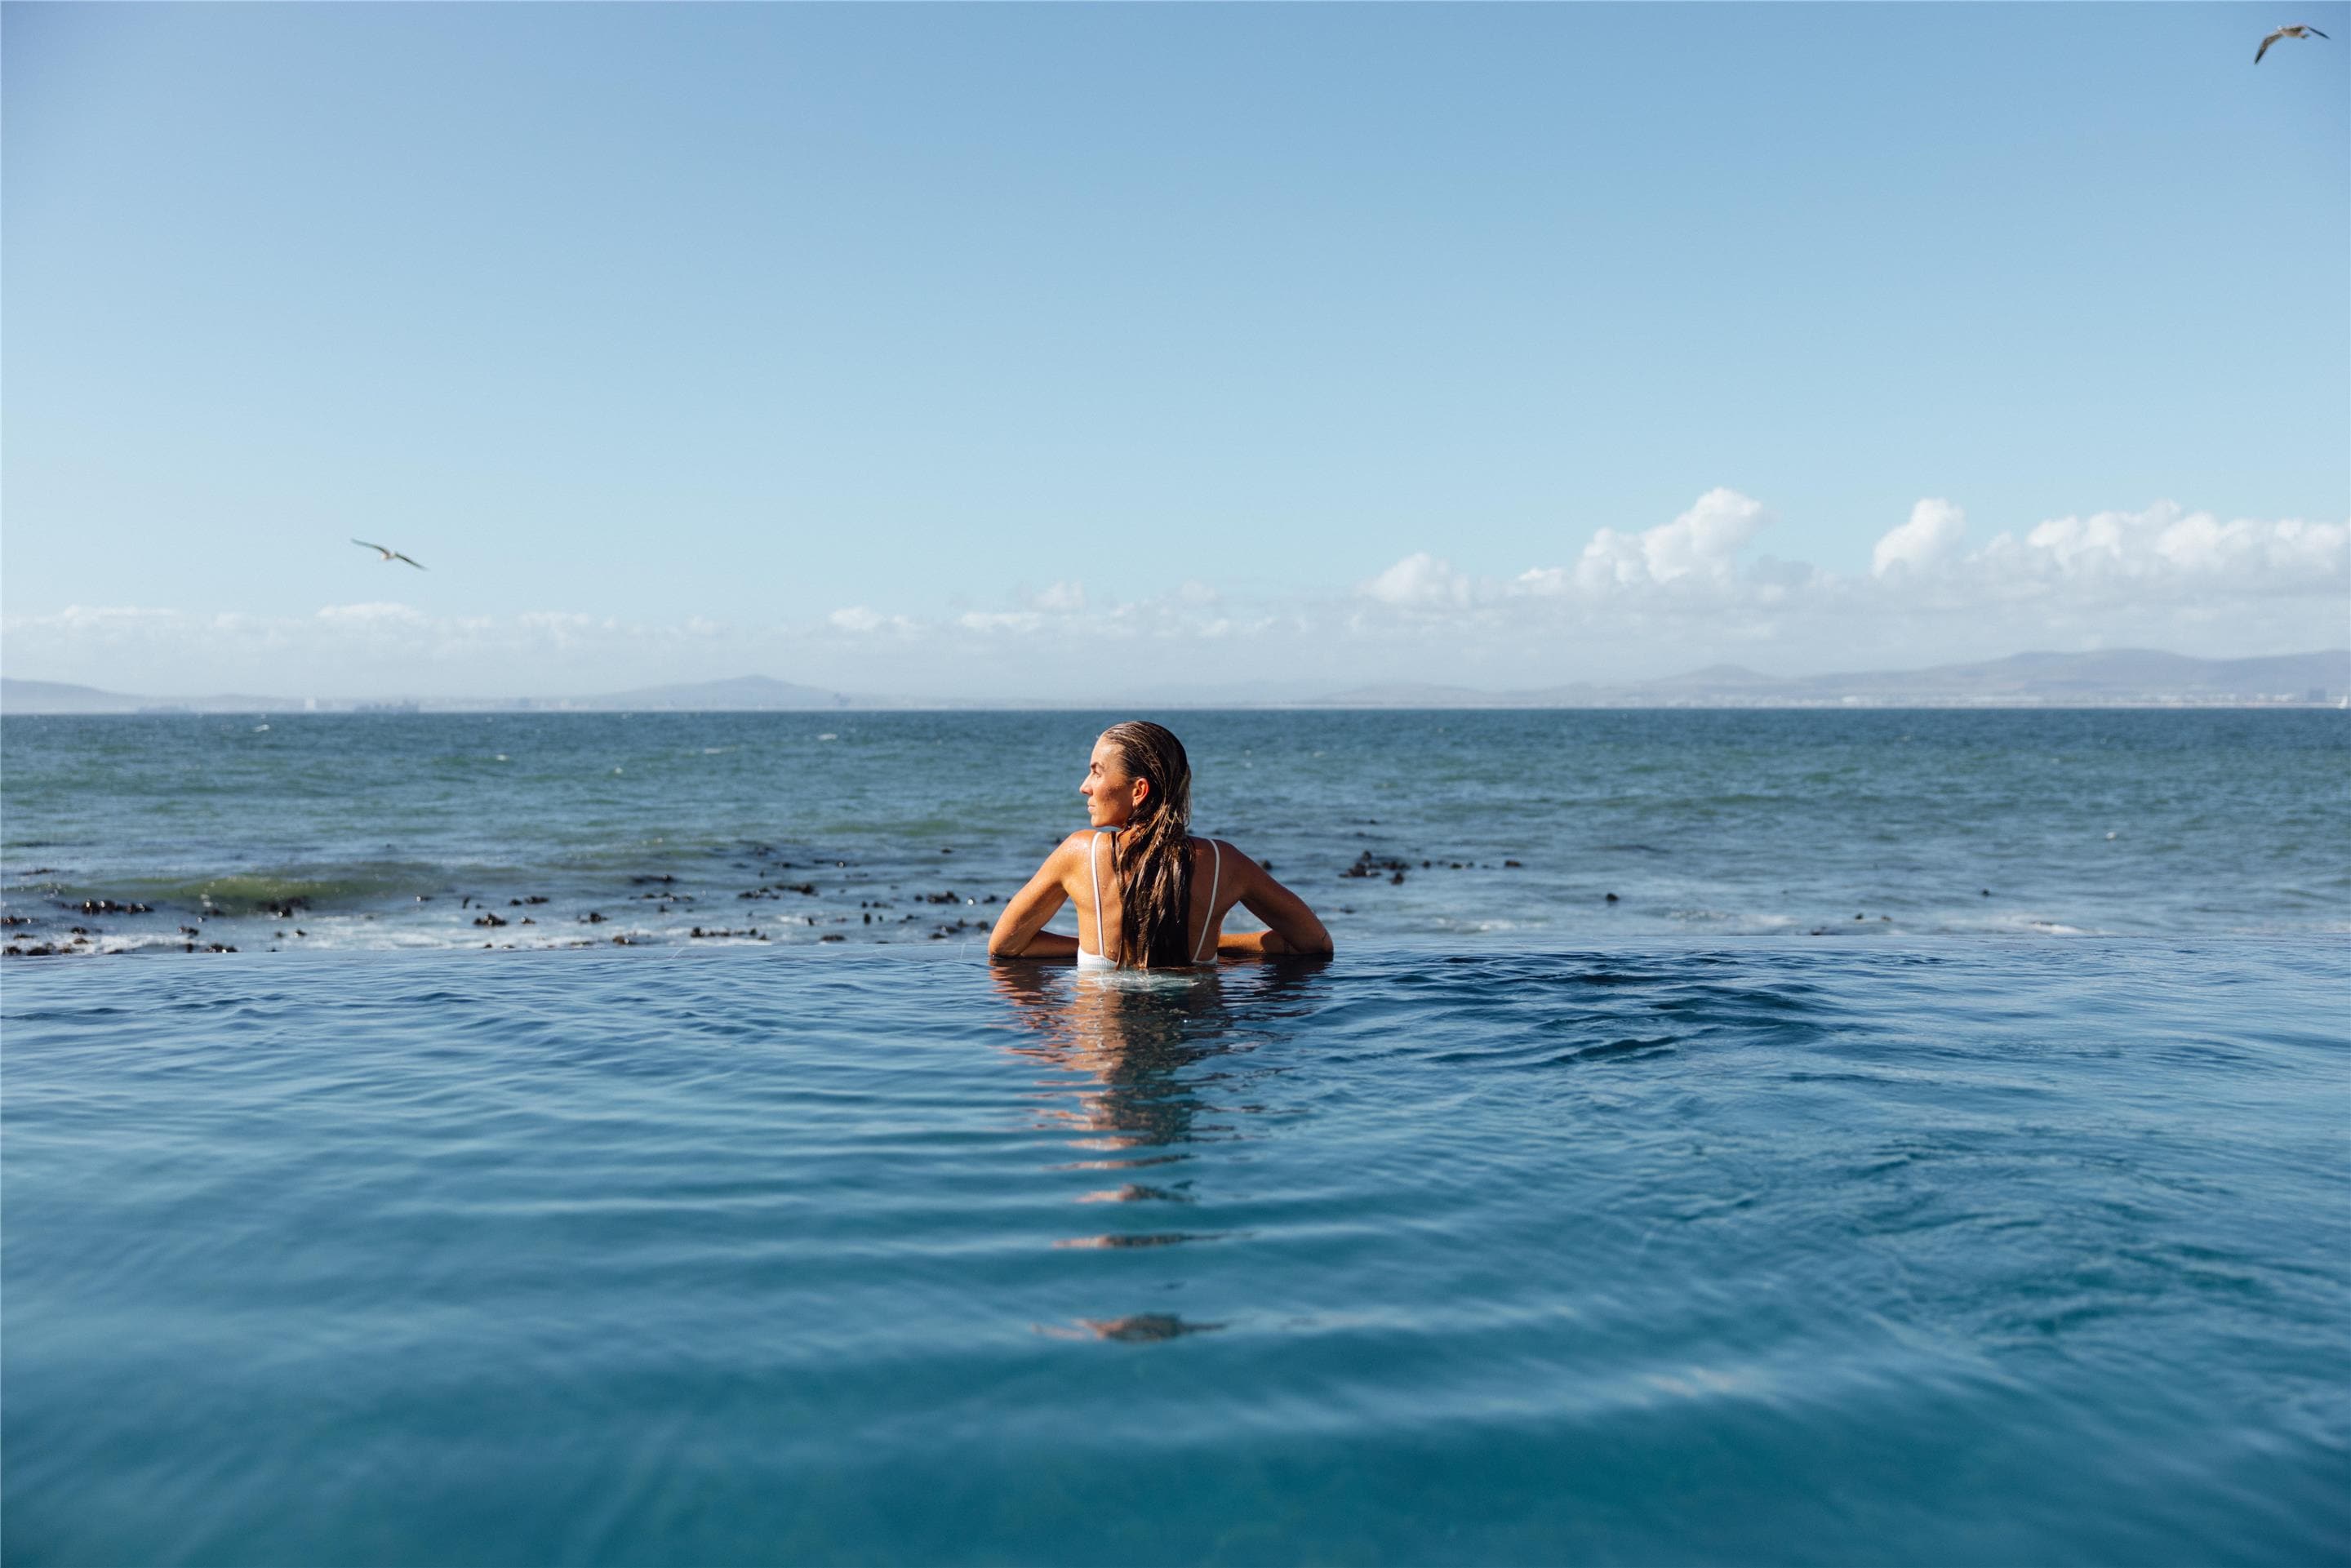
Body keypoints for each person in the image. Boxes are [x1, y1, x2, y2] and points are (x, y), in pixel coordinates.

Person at [986, 720, 1333, 968]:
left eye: (1097, 771)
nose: (1084, 786)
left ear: (1138, 790)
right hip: (1195, 1045)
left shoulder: (1080, 854)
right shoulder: (1222, 861)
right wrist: (1216, 944)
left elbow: (1005, 947)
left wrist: (1092, 948)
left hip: (1102, 1046)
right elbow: (1314, 943)